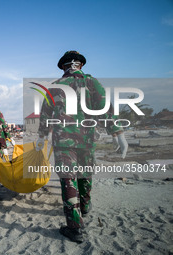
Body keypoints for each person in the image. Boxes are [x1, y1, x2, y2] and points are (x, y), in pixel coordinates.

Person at [36, 51, 128, 243]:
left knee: (68, 180)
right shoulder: (92, 82)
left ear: (63, 67)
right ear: (81, 65)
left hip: (63, 141)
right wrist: (117, 133)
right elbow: (104, 108)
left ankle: (75, 228)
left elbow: (46, 114)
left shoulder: (54, 87)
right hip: (87, 138)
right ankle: (85, 206)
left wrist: (41, 136)